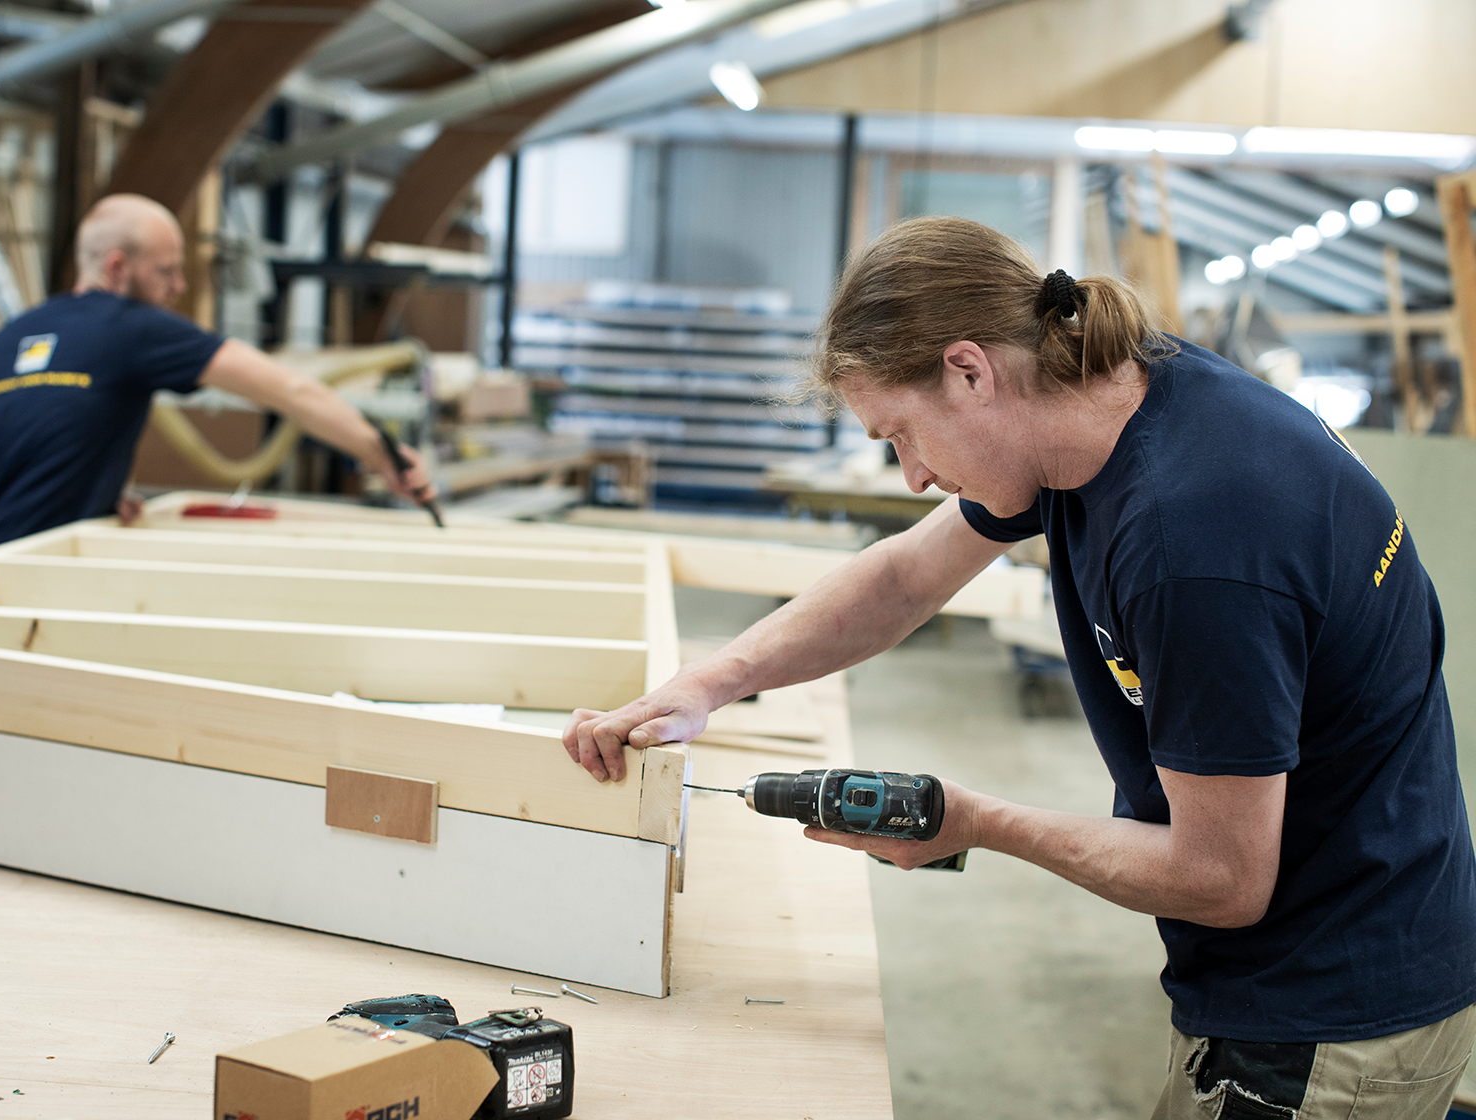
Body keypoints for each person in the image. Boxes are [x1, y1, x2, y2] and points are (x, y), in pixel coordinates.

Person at [563, 216, 1476, 1119]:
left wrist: (974, 822)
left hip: (1336, 1014)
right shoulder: (1102, 408)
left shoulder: (1191, 542)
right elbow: (902, 577)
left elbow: (1222, 879)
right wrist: (708, 682)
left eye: (902, 435)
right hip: (1310, 959)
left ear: (969, 371)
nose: (912, 475)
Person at [0, 193, 435, 553]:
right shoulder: (134, 326)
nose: (179, 287)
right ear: (117, 268)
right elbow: (289, 389)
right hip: (40, 567)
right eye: (166, 272)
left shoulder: (10, 336)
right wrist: (383, 456)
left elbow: (42, 440)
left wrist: (100, 495)